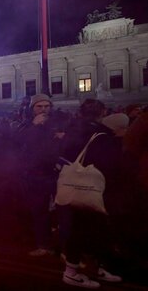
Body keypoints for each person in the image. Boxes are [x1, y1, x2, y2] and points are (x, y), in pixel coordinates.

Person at [58, 99, 122, 288]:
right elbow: (109, 165)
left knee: (83, 228)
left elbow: (62, 155)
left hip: (72, 187)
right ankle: (71, 272)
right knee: (87, 229)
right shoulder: (102, 134)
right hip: (93, 189)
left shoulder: (71, 130)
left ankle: (92, 267)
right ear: (103, 112)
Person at [17, 94, 64, 257]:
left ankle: (64, 246)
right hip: (35, 174)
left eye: (46, 106)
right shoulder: (26, 125)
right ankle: (43, 244)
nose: (43, 109)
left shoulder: (57, 123)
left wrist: (62, 138)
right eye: (39, 106)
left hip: (57, 173)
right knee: (39, 211)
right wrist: (34, 127)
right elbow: (18, 142)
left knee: (62, 211)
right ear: (32, 108)